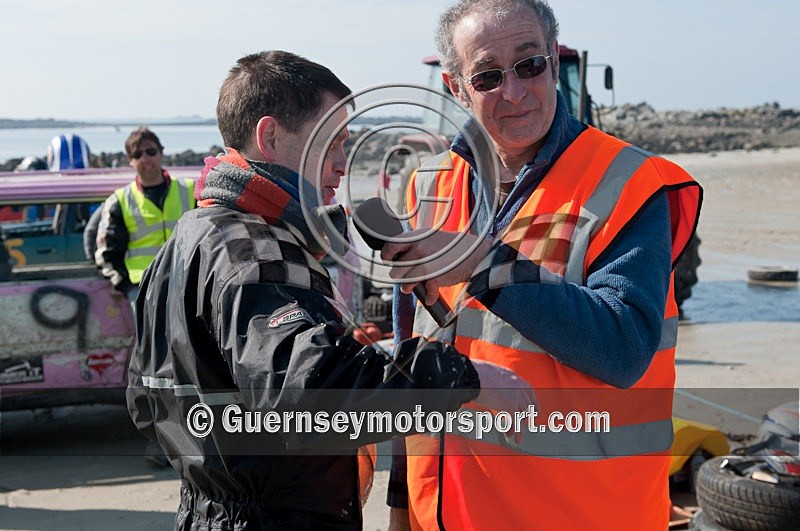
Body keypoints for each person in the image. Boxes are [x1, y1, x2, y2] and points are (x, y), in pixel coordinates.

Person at [126, 50, 522, 530]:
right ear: (270, 136)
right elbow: (311, 394)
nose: (342, 163)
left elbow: (147, 398)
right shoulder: (256, 249)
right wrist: (460, 375)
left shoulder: (189, 236)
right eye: (332, 142)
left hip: (209, 510)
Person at [383, 1, 703, 529]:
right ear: (456, 87)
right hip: (440, 513)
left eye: (529, 64)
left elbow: (624, 348)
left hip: (582, 514)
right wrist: (399, 504)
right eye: (488, 76)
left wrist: (483, 263)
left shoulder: (627, 184)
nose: (514, 92)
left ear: (554, 61)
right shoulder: (429, 187)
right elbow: (409, 358)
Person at [94, 127, 195, 304]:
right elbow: (106, 251)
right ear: (130, 160)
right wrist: (123, 285)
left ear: (161, 153)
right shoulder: (120, 200)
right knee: (152, 334)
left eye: (150, 151)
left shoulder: (190, 190)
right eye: (137, 154)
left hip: (188, 284)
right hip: (142, 288)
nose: (145, 158)